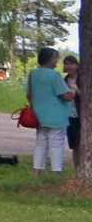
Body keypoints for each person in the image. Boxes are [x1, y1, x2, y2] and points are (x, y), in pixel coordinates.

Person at [28, 46, 73, 180]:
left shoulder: (33, 74)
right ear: (50, 60)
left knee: (40, 144)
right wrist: (72, 93)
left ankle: (37, 173)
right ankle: (56, 173)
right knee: (56, 144)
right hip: (56, 115)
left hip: (39, 115)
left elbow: (29, 95)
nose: (57, 62)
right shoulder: (55, 75)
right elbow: (65, 95)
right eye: (56, 59)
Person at [63, 55, 81, 154]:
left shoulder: (83, 79)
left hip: (82, 115)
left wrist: (76, 89)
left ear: (77, 65)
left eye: (71, 64)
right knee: (74, 145)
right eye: (66, 64)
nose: (69, 66)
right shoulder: (64, 81)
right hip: (69, 116)